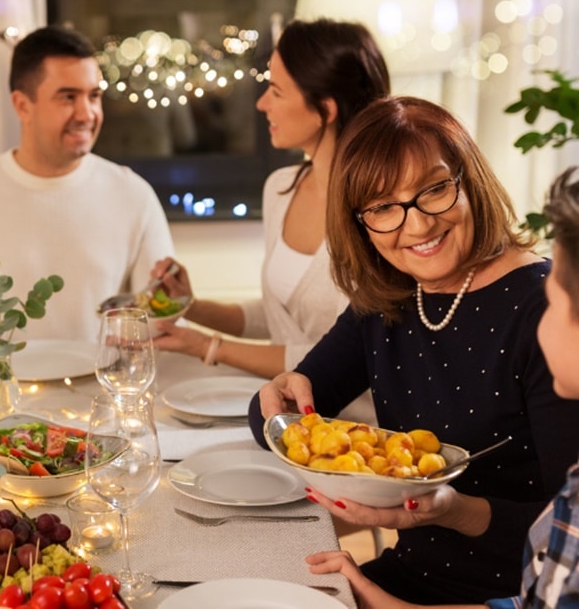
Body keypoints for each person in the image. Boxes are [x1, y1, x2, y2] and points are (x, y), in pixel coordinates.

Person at [248, 98, 579, 605]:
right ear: (359, 222)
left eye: (435, 189)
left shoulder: (549, 310)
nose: (418, 224)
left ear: (469, 181)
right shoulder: (390, 298)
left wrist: (451, 509)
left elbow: (567, 541)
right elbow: (274, 417)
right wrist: (280, 395)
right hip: (406, 576)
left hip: (511, 595)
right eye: (383, 207)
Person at [152, 19, 390, 379]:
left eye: (276, 91)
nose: (262, 104)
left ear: (325, 109)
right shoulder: (281, 189)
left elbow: (347, 357)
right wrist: (190, 306)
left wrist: (207, 347)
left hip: (353, 426)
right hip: (286, 414)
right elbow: (278, 317)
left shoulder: (381, 215)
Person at [0, 25, 174, 342]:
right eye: (68, 97)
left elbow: (160, 319)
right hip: (4, 390)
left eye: (94, 96)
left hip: (102, 388)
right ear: (22, 106)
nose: (87, 113)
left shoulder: (134, 195)